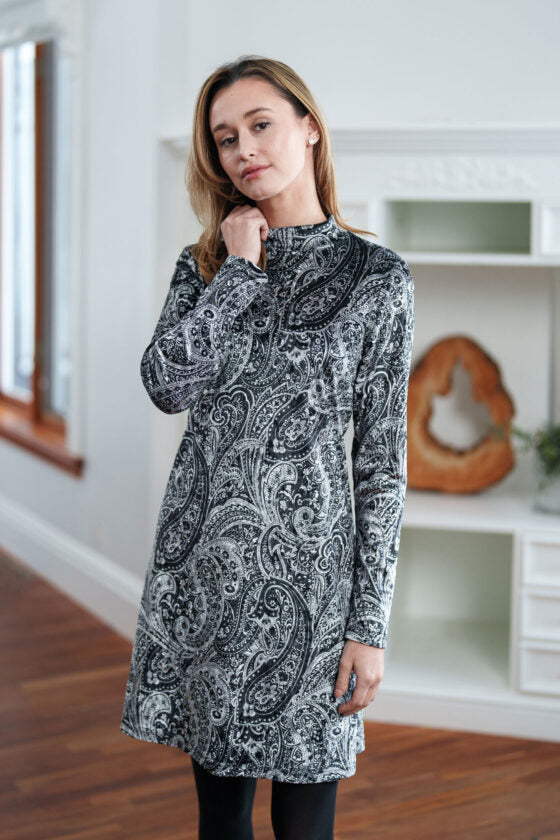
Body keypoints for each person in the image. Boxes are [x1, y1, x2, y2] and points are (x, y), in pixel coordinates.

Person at [120, 54, 415, 840]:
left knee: (307, 821)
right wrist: (240, 274)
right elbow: (165, 384)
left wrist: (370, 625)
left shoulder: (377, 278)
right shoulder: (208, 266)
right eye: (224, 138)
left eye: (260, 125)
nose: (243, 150)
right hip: (209, 572)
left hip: (315, 586)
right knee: (220, 819)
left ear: (309, 128)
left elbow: (383, 463)